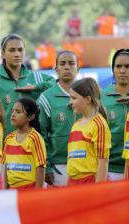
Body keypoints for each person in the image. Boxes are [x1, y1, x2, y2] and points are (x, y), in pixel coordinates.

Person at [0, 34, 55, 137]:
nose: (17, 54)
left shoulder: (36, 77)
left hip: (33, 142)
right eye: (12, 50)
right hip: (7, 143)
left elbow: (56, 84)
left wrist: (36, 87)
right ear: (3, 54)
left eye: (20, 50)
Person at [37, 50, 80, 187]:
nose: (67, 67)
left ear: (78, 68)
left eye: (71, 63)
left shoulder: (89, 96)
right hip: (58, 167)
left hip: (86, 164)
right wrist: (47, 166)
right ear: (56, 69)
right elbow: (40, 135)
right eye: (62, 64)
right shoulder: (46, 98)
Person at [101, 49, 129, 181]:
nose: (122, 70)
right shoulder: (101, 98)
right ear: (113, 70)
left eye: (127, 66)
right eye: (118, 66)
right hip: (111, 169)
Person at [67, 78, 111, 185]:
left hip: (89, 182)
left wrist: (98, 190)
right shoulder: (76, 124)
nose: (70, 102)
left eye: (74, 98)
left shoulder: (99, 124)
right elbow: (71, 159)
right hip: (73, 182)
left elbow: (103, 162)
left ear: (87, 99)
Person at [2, 98, 47, 190]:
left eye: (18, 112)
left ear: (30, 117)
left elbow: (41, 167)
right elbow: (6, 167)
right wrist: (5, 190)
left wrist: (38, 194)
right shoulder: (8, 138)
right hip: (12, 190)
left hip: (30, 190)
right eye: (12, 111)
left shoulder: (35, 138)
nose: (13, 114)